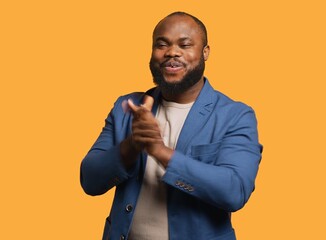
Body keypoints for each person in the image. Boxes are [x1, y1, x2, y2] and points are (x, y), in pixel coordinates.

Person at [80, 11, 262, 240]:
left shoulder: (235, 115)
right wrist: (132, 145)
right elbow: (90, 180)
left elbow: (234, 191)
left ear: (205, 52)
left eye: (184, 45)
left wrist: (160, 151)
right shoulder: (127, 107)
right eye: (161, 44)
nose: (172, 52)